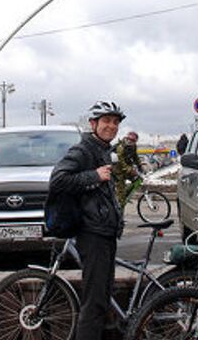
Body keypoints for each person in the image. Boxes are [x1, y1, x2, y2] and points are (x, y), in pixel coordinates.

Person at [49, 100, 125, 340]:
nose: (111, 126)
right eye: (106, 121)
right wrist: (94, 175)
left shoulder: (102, 149)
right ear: (93, 124)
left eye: (115, 122)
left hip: (104, 232)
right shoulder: (83, 150)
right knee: (94, 302)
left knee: (102, 298)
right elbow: (58, 180)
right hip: (92, 233)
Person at [112, 131, 142, 206]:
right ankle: (120, 210)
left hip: (126, 170)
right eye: (129, 139)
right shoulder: (121, 147)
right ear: (126, 138)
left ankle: (126, 194)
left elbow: (136, 157)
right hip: (118, 171)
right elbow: (121, 162)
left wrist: (140, 167)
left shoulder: (133, 146)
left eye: (133, 141)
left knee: (138, 179)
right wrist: (130, 169)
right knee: (121, 196)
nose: (130, 141)